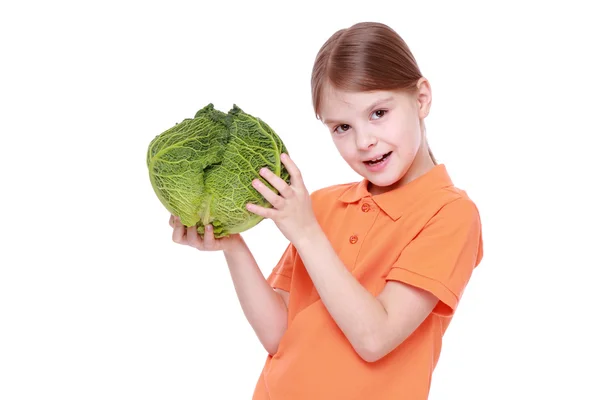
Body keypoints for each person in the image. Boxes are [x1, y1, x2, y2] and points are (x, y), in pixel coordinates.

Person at [169, 21, 484, 400]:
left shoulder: (450, 214)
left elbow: (375, 337)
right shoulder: (321, 205)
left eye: (379, 113)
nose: (364, 141)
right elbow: (278, 333)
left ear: (421, 98)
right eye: (341, 127)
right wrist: (233, 245)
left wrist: (305, 232)